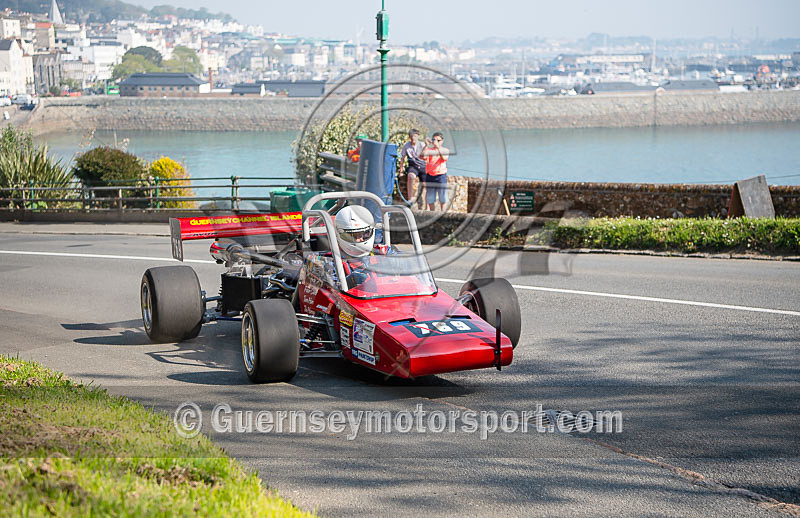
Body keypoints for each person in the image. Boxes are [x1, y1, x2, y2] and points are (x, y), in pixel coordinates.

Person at [420, 131, 449, 211]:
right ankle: (433, 215)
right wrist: (426, 145)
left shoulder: (445, 150)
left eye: (438, 140)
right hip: (430, 176)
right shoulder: (429, 150)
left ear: (442, 141)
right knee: (430, 199)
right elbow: (421, 156)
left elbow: (444, 158)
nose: (436, 142)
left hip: (441, 176)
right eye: (434, 140)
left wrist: (438, 147)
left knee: (442, 198)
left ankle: (443, 215)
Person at [399, 129, 426, 207]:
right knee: (411, 176)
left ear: (418, 136)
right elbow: (402, 158)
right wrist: (401, 171)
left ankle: (426, 202)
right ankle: (410, 199)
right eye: (411, 136)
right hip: (413, 165)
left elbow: (426, 157)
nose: (413, 138)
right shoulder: (406, 145)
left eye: (415, 136)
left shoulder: (422, 145)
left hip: (422, 165)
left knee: (425, 183)